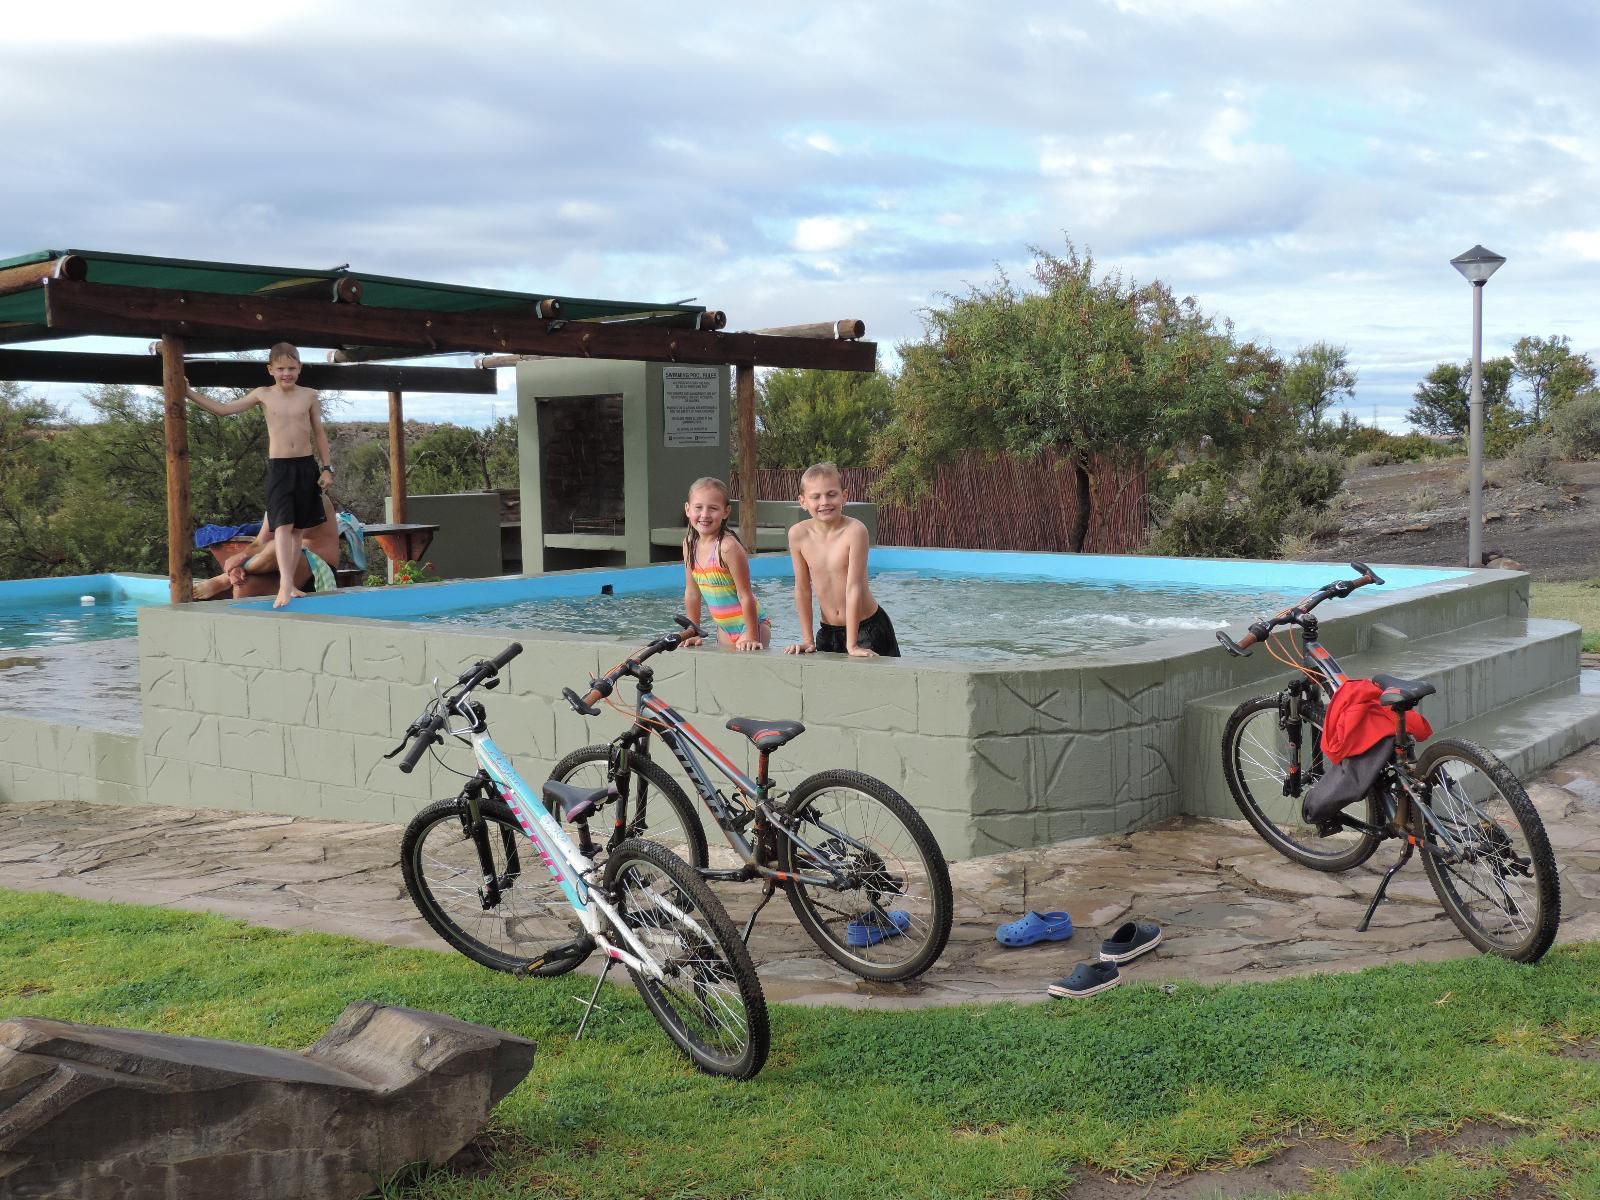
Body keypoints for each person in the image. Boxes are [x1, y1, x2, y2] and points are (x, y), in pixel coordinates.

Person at [185, 342, 332, 608]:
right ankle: (285, 584)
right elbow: (223, 409)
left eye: (291, 368)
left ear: (299, 368)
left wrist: (327, 467)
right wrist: (188, 393)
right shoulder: (263, 394)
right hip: (280, 467)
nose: (286, 373)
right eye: (281, 368)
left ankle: (291, 585)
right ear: (270, 369)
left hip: (306, 465)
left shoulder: (309, 395)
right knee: (283, 527)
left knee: (298, 529)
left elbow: (319, 433)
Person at [784, 462, 899, 657]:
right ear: (803, 502)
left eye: (831, 494)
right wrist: (808, 640)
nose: (824, 502)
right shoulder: (798, 534)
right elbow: (802, 588)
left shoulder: (855, 531)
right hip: (829, 632)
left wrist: (852, 644)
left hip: (867, 629)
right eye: (815, 497)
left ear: (844, 496)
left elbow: (854, 587)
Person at [193, 494, 341, 601]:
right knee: (244, 585)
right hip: (279, 569)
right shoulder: (278, 498)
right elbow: (259, 543)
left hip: (315, 570)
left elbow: (291, 535)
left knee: (280, 546)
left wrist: (237, 565)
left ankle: (222, 580)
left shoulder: (316, 498)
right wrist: (239, 560)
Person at [681, 477, 770, 651]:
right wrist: (693, 631)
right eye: (698, 507)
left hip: (750, 625)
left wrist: (751, 636)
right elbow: (692, 593)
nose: (705, 514)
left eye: (713, 508)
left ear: (726, 511)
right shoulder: (689, 545)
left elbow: (745, 595)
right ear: (687, 509)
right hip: (724, 628)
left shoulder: (728, 547)